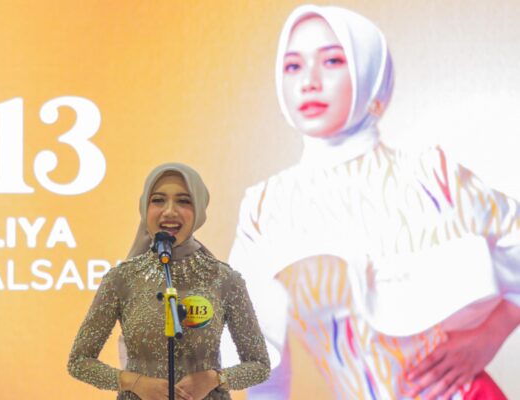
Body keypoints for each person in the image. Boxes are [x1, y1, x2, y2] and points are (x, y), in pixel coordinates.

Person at [227, 4, 520, 399]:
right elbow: (262, 361)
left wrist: (490, 335)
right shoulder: (264, 209)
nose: (309, 81)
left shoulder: (430, 174)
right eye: (293, 66)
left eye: (332, 60)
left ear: (369, 71)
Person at [68, 163, 270, 400]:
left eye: (184, 201)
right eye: (158, 200)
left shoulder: (224, 279)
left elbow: (259, 365)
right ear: (145, 208)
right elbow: (79, 361)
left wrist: (215, 379)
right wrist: (134, 383)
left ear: (199, 209)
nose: (169, 211)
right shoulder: (122, 279)